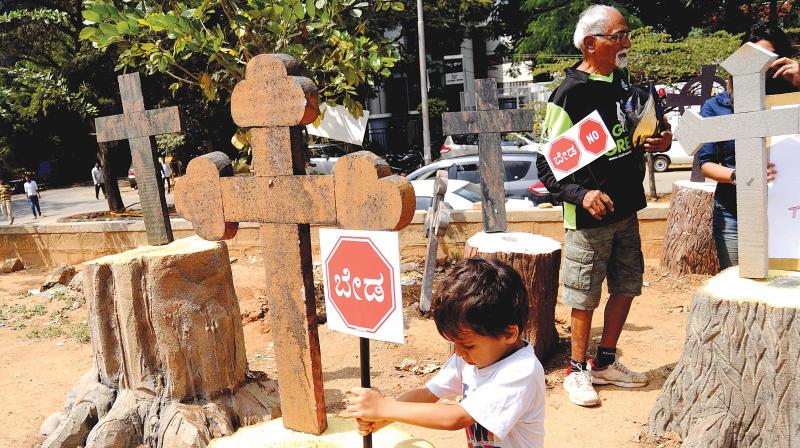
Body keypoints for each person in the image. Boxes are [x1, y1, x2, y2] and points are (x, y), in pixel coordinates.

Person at [535, 5, 672, 407]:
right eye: (619, 36)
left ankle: (605, 361)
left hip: (627, 210)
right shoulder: (569, 94)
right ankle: (576, 371)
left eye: (627, 35)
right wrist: (583, 195)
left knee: (627, 287)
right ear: (591, 44)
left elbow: (641, 133)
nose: (626, 43)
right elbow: (546, 164)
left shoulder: (627, 83)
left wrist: (658, 140)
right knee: (583, 296)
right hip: (588, 218)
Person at [346, 257, 545, 448]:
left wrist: (384, 408)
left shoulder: (521, 371)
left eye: (468, 345)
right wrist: (384, 416)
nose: (458, 353)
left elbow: (456, 417)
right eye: (455, 343)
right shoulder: (471, 358)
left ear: (509, 333)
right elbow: (429, 394)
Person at [697, 24, 794, 269]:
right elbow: (705, 164)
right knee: (739, 285)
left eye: (768, 60)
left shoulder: (792, 99)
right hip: (735, 211)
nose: (759, 67)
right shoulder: (717, 107)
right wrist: (741, 175)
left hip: (790, 207)